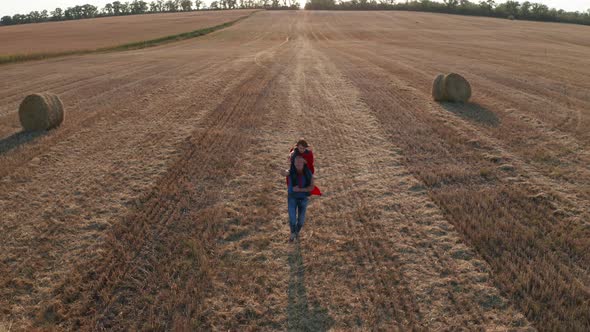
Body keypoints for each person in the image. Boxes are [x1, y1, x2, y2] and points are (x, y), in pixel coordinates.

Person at [282, 156, 315, 242]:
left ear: (304, 163)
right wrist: (283, 172)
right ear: (293, 163)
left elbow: (312, 187)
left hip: (303, 199)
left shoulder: (308, 173)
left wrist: (300, 190)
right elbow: (284, 172)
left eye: (300, 162)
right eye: (296, 162)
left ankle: (296, 232)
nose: (298, 164)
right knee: (292, 219)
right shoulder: (290, 172)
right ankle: (293, 233)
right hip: (292, 198)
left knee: (301, 221)